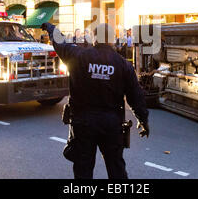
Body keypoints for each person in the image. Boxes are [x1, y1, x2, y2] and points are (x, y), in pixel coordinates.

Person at [41, 22, 149, 179]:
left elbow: (61, 43)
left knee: (83, 170)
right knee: (116, 169)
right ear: (113, 40)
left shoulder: (78, 56)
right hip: (111, 124)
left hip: (83, 123)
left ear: (94, 39)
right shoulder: (123, 65)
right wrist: (143, 119)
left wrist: (52, 29)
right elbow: (135, 96)